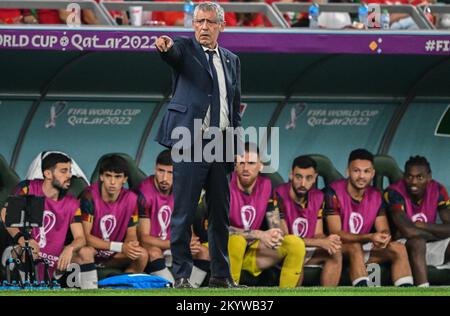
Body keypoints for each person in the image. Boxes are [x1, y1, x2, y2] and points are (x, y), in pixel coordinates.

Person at [154, 1, 242, 288]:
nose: (203, 27)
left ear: (221, 26)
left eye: (209, 22)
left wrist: (236, 146)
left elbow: (234, 103)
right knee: (184, 211)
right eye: (199, 22)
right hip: (190, 141)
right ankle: (181, 275)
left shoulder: (232, 59)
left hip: (221, 142)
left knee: (219, 214)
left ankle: (220, 275)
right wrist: (166, 47)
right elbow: (172, 53)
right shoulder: (185, 49)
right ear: (193, 25)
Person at [1, 152, 97, 289]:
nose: (69, 175)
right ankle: (25, 289)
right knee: (30, 249)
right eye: (64, 171)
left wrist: (70, 248)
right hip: (19, 251)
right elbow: (5, 215)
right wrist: (23, 240)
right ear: (47, 174)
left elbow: (80, 238)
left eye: (69, 171)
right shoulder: (28, 188)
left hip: (54, 261)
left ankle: (92, 293)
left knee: (86, 252)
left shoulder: (72, 203)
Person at [324, 149, 413, 287]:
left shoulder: (377, 196)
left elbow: (384, 229)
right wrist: (370, 237)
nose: (361, 176)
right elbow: (336, 233)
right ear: (348, 171)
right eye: (356, 171)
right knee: (354, 247)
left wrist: (383, 238)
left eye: (366, 171)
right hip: (339, 249)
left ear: (373, 173)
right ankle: (363, 290)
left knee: (398, 248)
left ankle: (407, 292)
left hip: (364, 247)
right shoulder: (333, 192)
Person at [228, 143, 306, 288]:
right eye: (241, 163)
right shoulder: (224, 185)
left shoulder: (268, 187)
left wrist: (274, 234)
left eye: (251, 163)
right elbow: (220, 230)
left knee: (295, 244)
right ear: (235, 165)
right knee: (236, 241)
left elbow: (275, 225)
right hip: (223, 252)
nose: (246, 168)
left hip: (252, 252)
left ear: (260, 166)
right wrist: (259, 234)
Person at [136, 149, 210, 287]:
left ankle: (190, 289)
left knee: (204, 252)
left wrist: (191, 242)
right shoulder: (144, 194)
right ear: (154, 168)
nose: (164, 178)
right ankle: (172, 289)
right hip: (155, 247)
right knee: (153, 252)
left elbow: (187, 226)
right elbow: (144, 238)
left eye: (170, 172)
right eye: (160, 171)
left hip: (174, 246)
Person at [275, 155, 342, 287]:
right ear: (291, 175)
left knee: (336, 252)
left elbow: (318, 233)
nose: (303, 183)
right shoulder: (278, 195)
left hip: (309, 249)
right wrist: (320, 242)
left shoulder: (318, 197)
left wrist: (329, 241)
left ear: (315, 178)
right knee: (296, 251)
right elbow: (284, 238)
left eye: (308, 178)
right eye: (299, 177)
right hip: (285, 251)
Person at [384, 156, 450, 287]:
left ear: (429, 177)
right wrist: (437, 234)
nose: (413, 182)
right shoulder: (393, 192)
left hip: (429, 242)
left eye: (419, 177)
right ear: (404, 176)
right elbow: (408, 231)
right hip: (402, 246)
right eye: (409, 176)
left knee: (419, 240)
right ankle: (423, 289)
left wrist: (422, 225)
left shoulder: (438, 189)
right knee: (417, 242)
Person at [80, 155, 147, 275]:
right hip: (91, 251)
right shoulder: (89, 196)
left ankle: (125, 287)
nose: (112, 182)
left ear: (125, 179)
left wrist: (130, 245)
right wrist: (120, 247)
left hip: (113, 256)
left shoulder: (132, 199)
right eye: (108, 176)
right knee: (87, 251)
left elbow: (131, 233)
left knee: (142, 255)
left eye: (118, 177)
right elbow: (85, 237)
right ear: (101, 177)